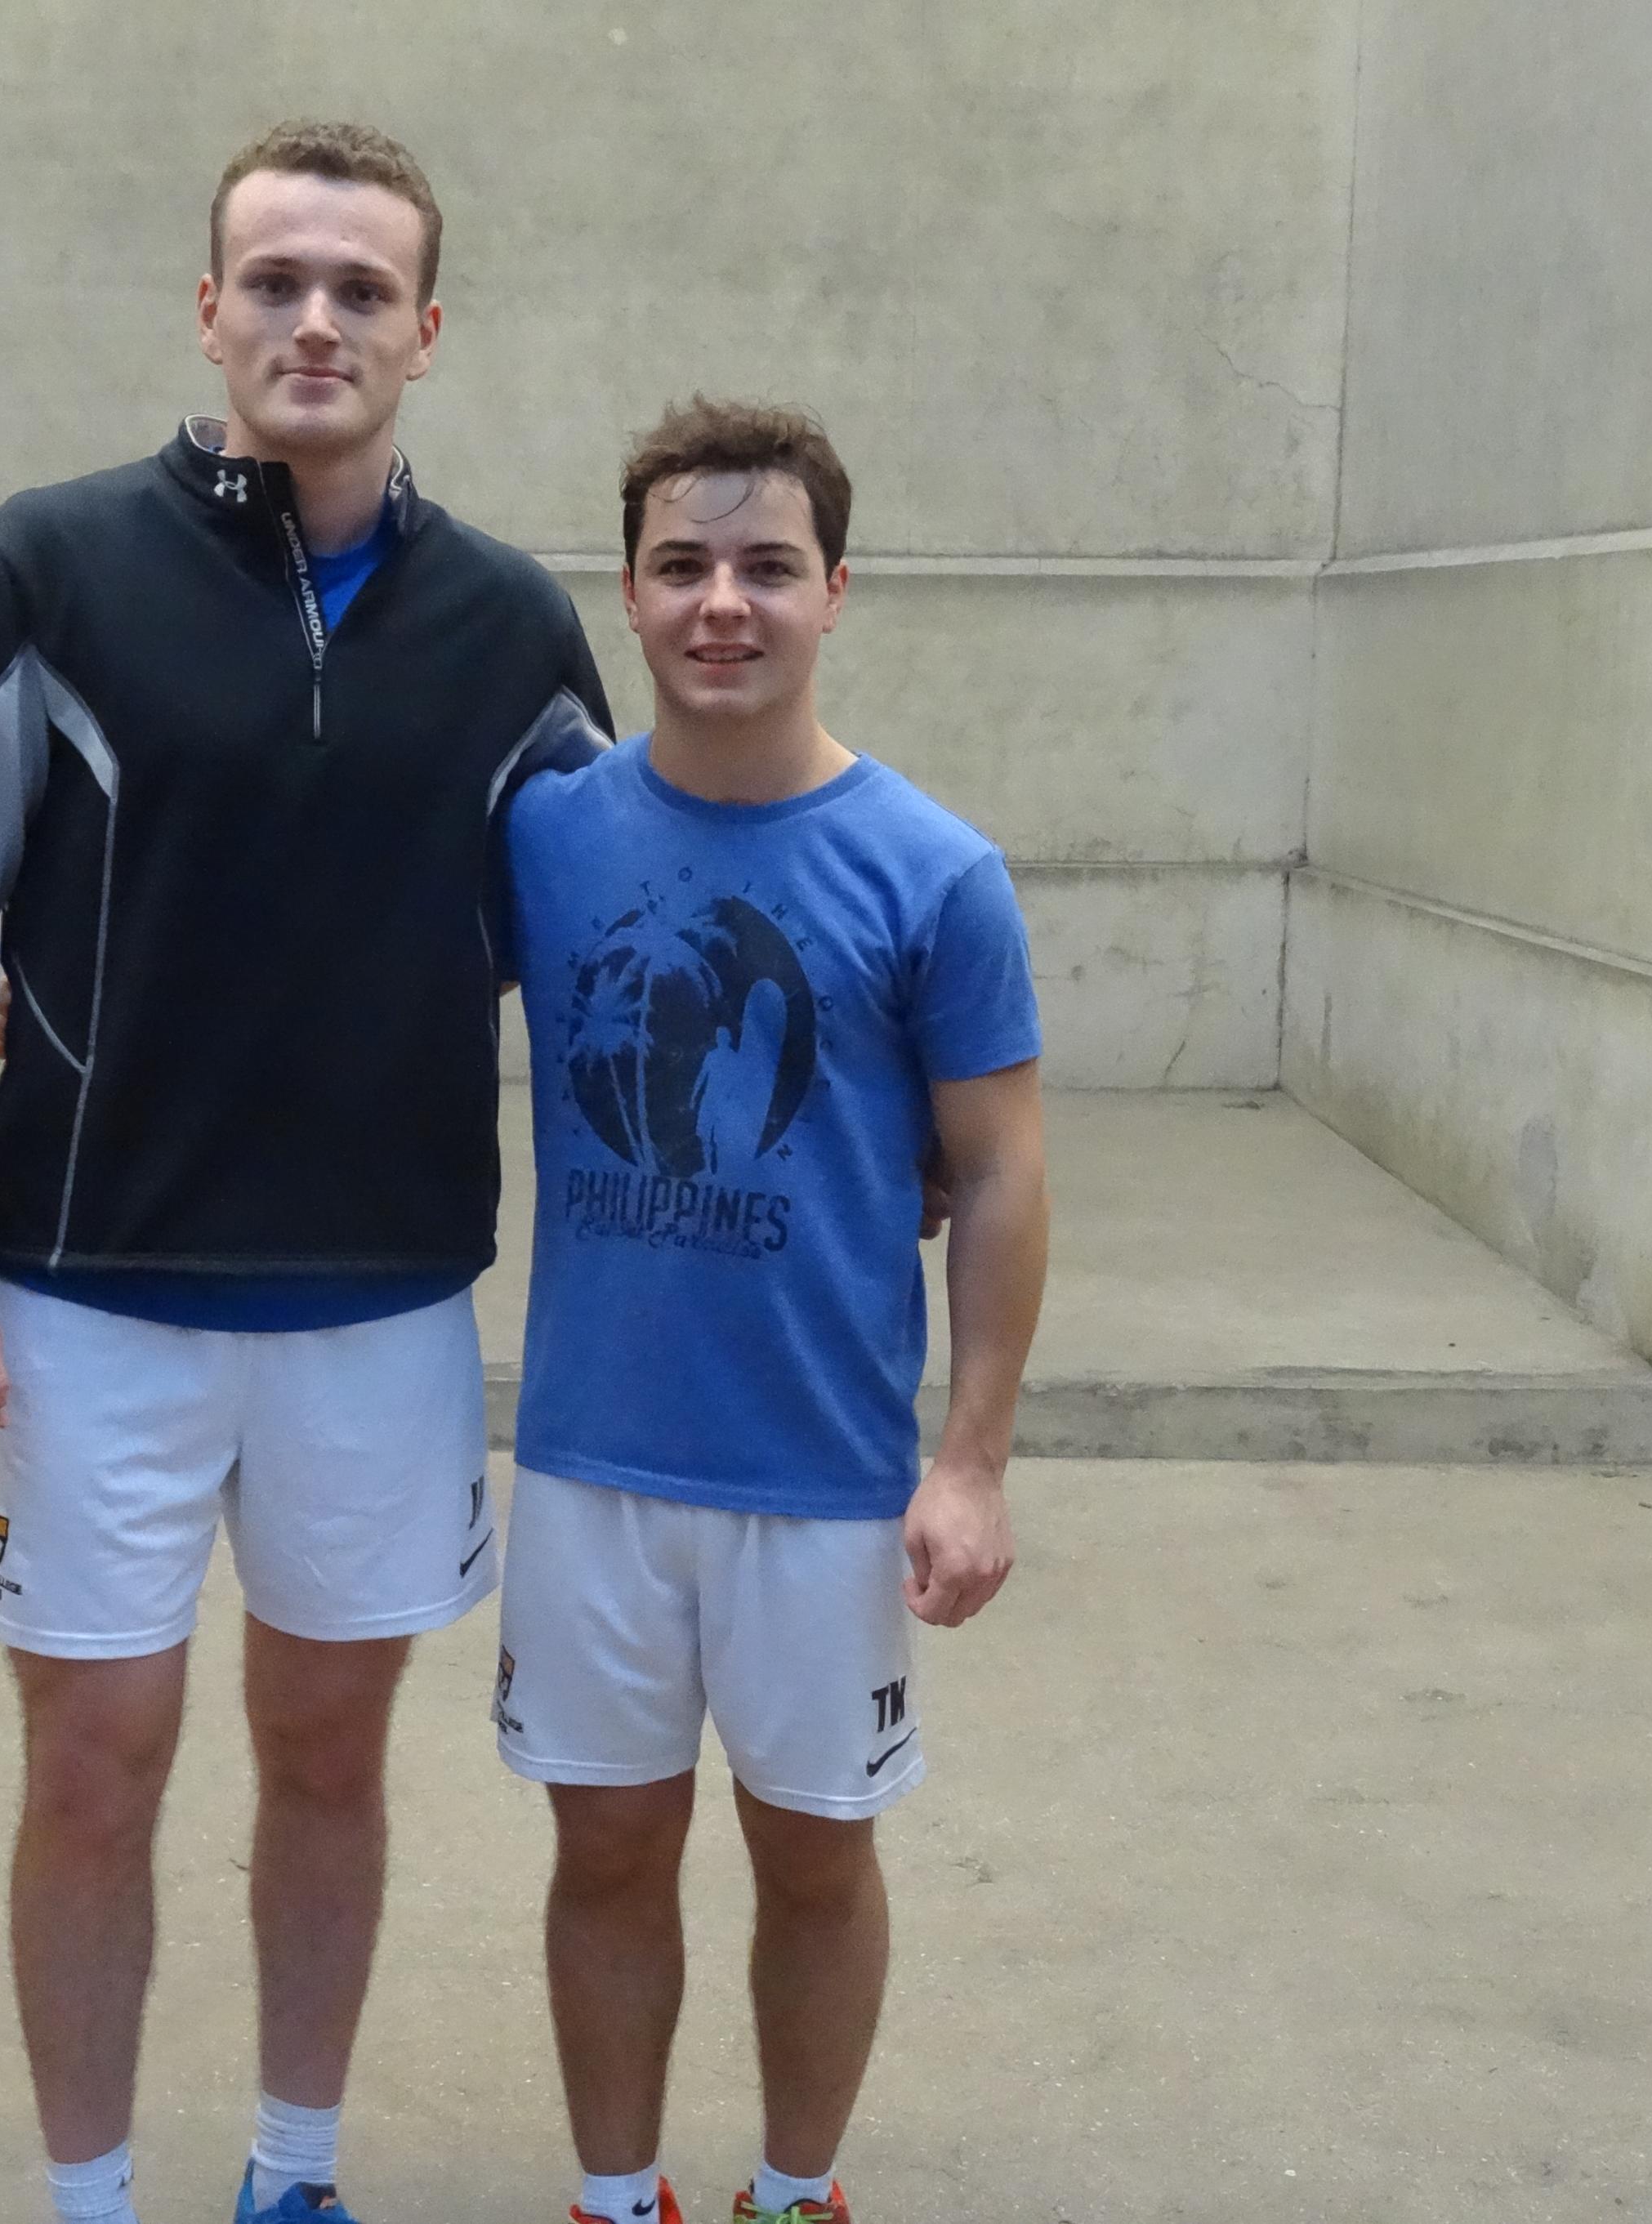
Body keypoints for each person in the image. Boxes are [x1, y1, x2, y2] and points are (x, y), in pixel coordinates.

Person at [0, 122, 610, 2224]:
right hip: (87, 1301)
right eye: (274, 278)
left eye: (362, 290)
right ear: (210, 309)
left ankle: (295, 2173)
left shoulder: (514, 631)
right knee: (95, 1769)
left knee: (331, 1765)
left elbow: (621, 962)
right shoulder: (52, 565)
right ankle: (89, 2194)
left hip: (378, 1314)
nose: (315, 319)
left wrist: (869, 1128)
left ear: (426, 335)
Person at [495, 399, 1051, 2224]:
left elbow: (1005, 1173)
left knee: (815, 1860)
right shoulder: (548, 837)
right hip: (592, 1463)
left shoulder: (936, 870)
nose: (721, 600)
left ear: (835, 590)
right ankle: (613, 2191)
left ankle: (795, 2189)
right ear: (632, 598)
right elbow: (330, 951)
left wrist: (968, 1462)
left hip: (823, 1481)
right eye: (681, 565)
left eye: (765, 565)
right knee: (607, 1851)